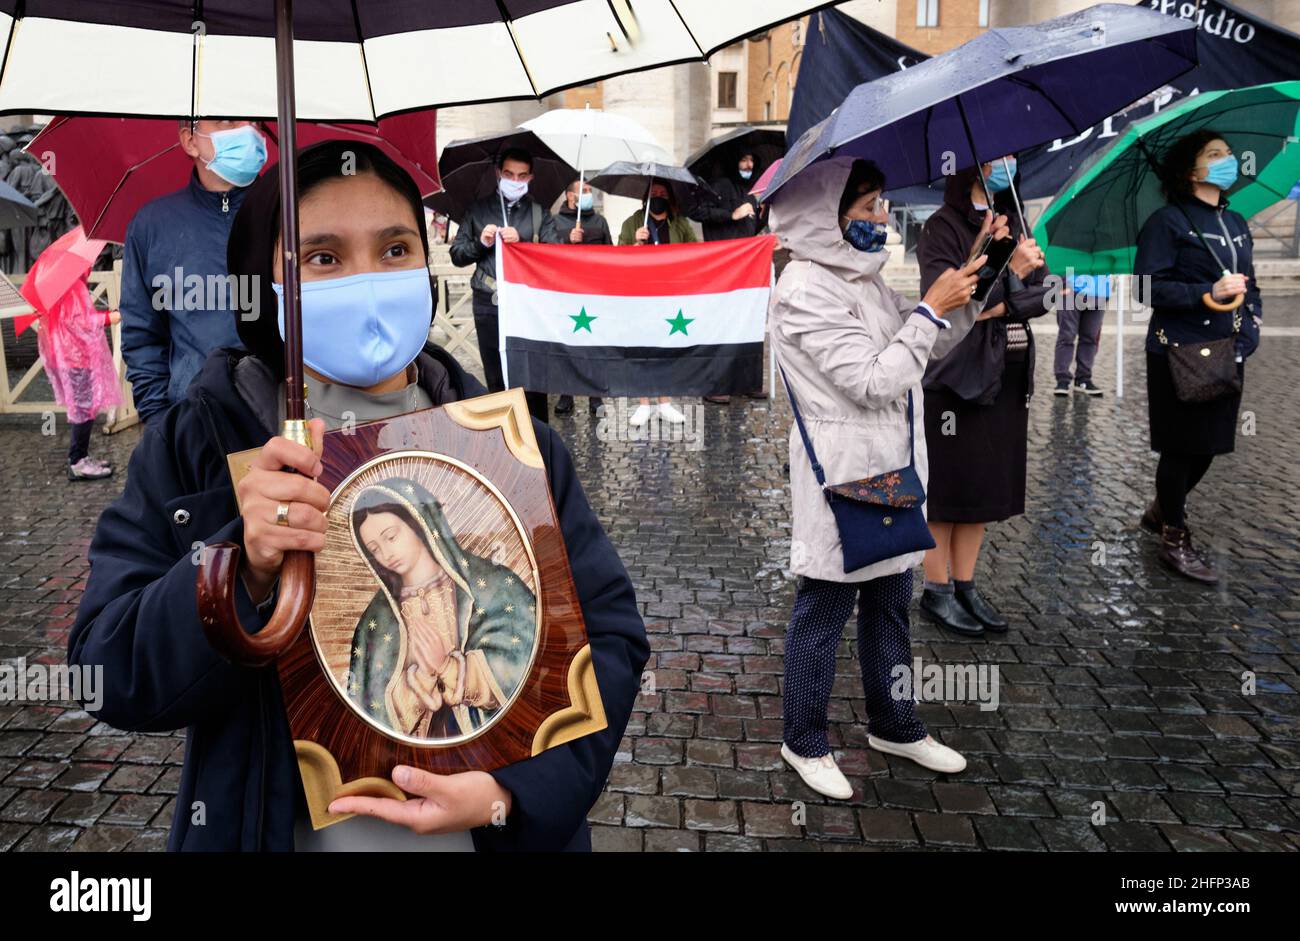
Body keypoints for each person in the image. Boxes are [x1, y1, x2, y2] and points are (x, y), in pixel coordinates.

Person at [68, 140, 649, 852]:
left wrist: (513, 792)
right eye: (323, 257)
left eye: (396, 248)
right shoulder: (194, 449)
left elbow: (609, 638)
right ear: (267, 281)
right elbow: (105, 667)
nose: (368, 278)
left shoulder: (512, 445)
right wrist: (233, 568)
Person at [770, 156, 989, 798]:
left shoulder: (864, 280)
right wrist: (926, 310)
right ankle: (802, 740)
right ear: (827, 218)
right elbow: (871, 380)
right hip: (841, 475)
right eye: (867, 207)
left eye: (879, 203)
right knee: (825, 607)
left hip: (890, 466)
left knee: (891, 603)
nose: (882, 216)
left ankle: (894, 723)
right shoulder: (806, 287)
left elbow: (930, 344)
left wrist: (974, 278)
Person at [916, 157, 1049, 637]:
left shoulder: (1013, 214)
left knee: (985, 487)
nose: (1009, 163)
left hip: (1008, 370)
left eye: (1015, 155)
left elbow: (1043, 292)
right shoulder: (940, 228)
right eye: (999, 156)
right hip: (958, 373)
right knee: (951, 488)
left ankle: (967, 584)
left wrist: (1006, 293)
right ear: (972, 164)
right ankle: (937, 589)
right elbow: (947, 301)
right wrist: (1009, 276)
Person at [1134, 129, 1261, 584]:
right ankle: (1174, 536)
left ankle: (1161, 509)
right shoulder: (1166, 223)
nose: (1228, 160)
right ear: (1191, 171)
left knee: (1210, 446)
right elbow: (1146, 288)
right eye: (1215, 155)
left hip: (1228, 351)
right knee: (1181, 448)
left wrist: (1254, 326)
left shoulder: (1238, 223)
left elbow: (1252, 286)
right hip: (1178, 351)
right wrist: (1206, 292)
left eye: (1229, 152)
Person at [347, 479, 535, 738]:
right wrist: (422, 678)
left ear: (419, 523)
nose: (386, 553)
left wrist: (448, 667)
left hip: (493, 741)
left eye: (391, 536)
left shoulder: (492, 585)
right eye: (374, 549)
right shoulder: (377, 621)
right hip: (416, 754)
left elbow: (522, 664)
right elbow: (369, 711)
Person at [120, 119, 266, 424]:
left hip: (284, 421)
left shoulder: (294, 214)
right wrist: (161, 423)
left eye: (254, 121)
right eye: (227, 120)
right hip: (194, 422)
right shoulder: (152, 225)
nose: (246, 130)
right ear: (190, 140)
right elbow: (142, 335)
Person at [448, 147, 558, 425]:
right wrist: (480, 243)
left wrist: (523, 242)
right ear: (499, 174)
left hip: (528, 303)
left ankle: (538, 438)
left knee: (532, 375)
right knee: (496, 377)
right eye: (509, 174)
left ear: (530, 178)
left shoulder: (539, 213)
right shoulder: (478, 209)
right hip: (489, 300)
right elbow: (457, 255)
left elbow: (556, 254)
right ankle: (503, 438)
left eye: (521, 176)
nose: (515, 180)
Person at [689, 149, 769, 404]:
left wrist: (762, 214)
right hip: (721, 266)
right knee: (719, 325)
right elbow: (697, 211)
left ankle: (746, 382)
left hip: (747, 267)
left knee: (748, 323)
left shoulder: (752, 191)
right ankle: (713, 385)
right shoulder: (716, 185)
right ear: (733, 160)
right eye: (744, 158)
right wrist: (731, 213)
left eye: (751, 160)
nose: (748, 164)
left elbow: (749, 228)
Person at [617, 180, 695, 428]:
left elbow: (697, 253)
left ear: (670, 198)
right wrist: (634, 245)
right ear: (646, 197)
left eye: (663, 193)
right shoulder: (632, 223)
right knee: (642, 347)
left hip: (671, 293)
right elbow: (617, 256)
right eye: (654, 193)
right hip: (639, 293)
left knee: (666, 348)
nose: (658, 196)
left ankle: (664, 401)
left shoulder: (680, 223)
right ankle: (643, 404)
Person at [34, 272, 123, 480]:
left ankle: (81, 456)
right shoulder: (71, 286)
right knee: (83, 409)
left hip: (72, 355)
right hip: (74, 357)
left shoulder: (69, 284)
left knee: (85, 408)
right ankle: (77, 462)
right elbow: (80, 321)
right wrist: (111, 317)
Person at [546, 178, 609, 416]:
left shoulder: (600, 221)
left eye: (590, 191)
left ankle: (596, 397)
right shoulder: (554, 222)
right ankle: (566, 394)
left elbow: (610, 253)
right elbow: (546, 254)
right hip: (565, 293)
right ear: (570, 196)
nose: (588, 194)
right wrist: (566, 240)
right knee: (566, 345)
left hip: (593, 292)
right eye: (583, 191)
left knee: (593, 345)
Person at [1054, 273, 1107, 396]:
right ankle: (1062, 379)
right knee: (1066, 336)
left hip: (1099, 290)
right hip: (1070, 289)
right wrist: (1062, 282)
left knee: (1090, 337)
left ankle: (1083, 379)